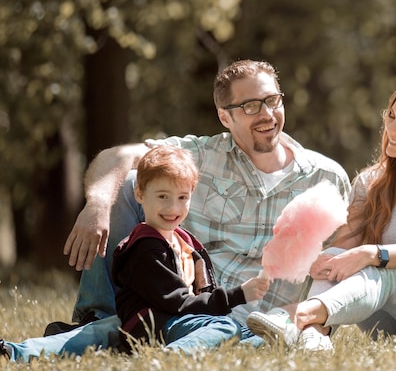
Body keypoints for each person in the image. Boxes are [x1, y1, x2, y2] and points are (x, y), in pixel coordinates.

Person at [1, 59, 350, 362]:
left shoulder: (325, 179)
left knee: (205, 332)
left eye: (272, 100)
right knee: (129, 183)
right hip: (178, 304)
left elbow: (342, 258)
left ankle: (144, 352)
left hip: (252, 321)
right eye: (251, 106)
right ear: (224, 117)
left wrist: (313, 319)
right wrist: (95, 206)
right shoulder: (199, 155)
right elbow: (117, 157)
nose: (267, 114)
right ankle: (51, 336)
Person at [247, 78, 396, 350]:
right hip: (382, 318)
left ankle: (295, 316)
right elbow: (346, 244)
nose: (392, 129)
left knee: (379, 268)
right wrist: (323, 260)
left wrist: (371, 253)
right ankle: (316, 337)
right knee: (334, 259)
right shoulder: (371, 182)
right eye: (391, 116)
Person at [0, 146, 271, 362]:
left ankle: (17, 351)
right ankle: (166, 359)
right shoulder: (145, 246)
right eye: (162, 196)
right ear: (140, 194)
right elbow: (176, 303)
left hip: (161, 321)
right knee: (227, 328)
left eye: (182, 198)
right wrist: (239, 294)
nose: (172, 207)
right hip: (154, 323)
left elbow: (198, 295)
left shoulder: (186, 243)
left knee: (254, 338)